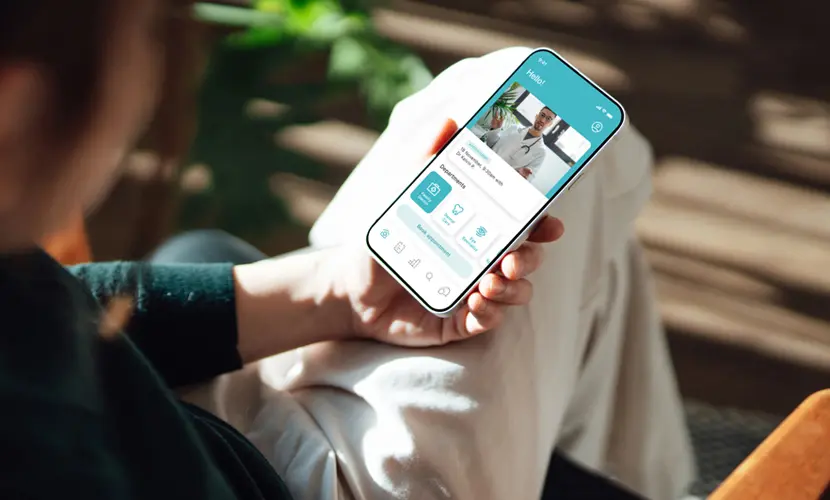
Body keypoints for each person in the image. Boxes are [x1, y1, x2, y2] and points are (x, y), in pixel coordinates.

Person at [0, 2, 695, 500]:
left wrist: (330, 292)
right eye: (149, 28)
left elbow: (54, 316)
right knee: (544, 122)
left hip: (186, 427)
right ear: (17, 104)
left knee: (203, 250)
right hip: (275, 473)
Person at [481, 105, 556, 180]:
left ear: (550, 124)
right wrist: (495, 129)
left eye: (548, 119)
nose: (542, 120)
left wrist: (523, 176)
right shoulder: (514, 128)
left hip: (501, 179)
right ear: (537, 115)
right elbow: (490, 144)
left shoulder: (541, 152)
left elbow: (530, 177)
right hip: (485, 166)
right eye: (542, 115)